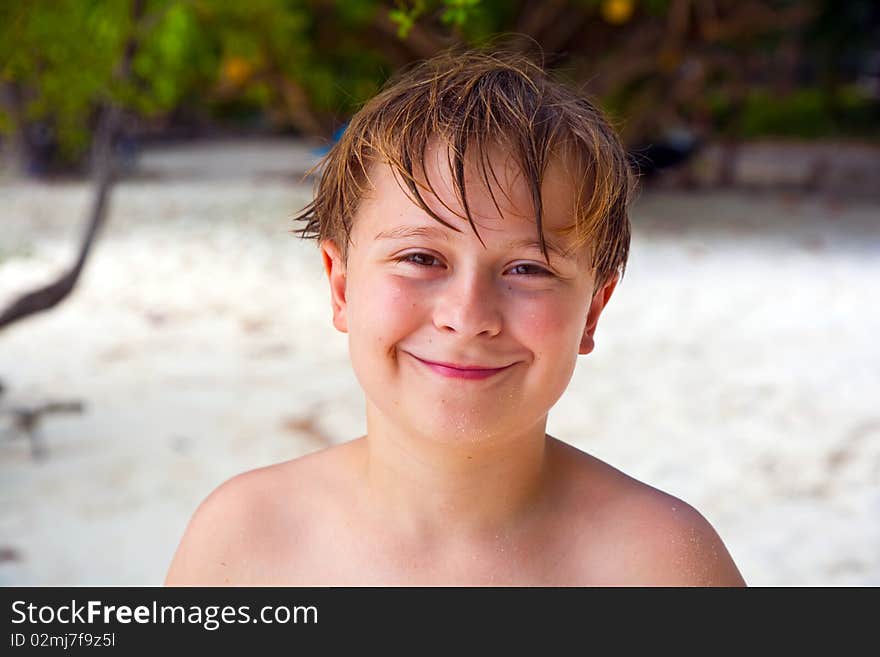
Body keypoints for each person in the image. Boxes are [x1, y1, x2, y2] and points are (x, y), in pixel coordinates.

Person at [165, 49, 745, 586]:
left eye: (528, 270)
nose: (467, 317)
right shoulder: (241, 544)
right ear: (341, 287)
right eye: (421, 258)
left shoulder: (665, 568)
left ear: (593, 311)